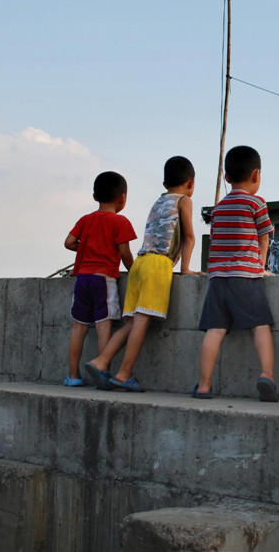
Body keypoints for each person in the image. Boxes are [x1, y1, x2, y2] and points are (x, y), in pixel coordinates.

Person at [83, 156, 200, 392]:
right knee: (142, 322)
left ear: (165, 182)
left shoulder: (158, 201)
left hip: (140, 263)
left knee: (132, 321)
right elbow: (188, 236)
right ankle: (124, 373)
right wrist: (185, 268)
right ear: (191, 183)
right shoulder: (184, 201)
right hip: (159, 264)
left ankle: (101, 361)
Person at [193, 145, 278, 402]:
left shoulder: (218, 209)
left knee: (214, 331)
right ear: (256, 175)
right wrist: (261, 266)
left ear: (227, 178)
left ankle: (204, 384)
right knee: (260, 327)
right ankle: (267, 375)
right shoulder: (256, 203)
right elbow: (265, 236)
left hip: (218, 278)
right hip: (246, 278)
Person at [63, 171, 137, 386]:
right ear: (122, 198)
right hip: (103, 280)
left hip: (82, 279)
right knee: (104, 325)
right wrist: (133, 270)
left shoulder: (86, 220)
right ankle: (102, 372)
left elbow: (68, 242)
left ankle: (73, 376)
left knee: (79, 327)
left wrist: (85, 249)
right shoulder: (120, 222)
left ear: (95, 196)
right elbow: (124, 253)